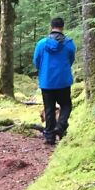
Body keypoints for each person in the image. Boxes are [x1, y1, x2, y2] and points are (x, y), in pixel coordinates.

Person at [33, 16, 76, 145]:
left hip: (47, 81)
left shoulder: (42, 43)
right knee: (66, 105)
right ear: (62, 27)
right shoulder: (69, 44)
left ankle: (49, 136)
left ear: (51, 27)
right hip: (63, 81)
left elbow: (36, 61)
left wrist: (43, 70)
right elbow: (71, 60)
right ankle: (60, 127)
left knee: (49, 108)